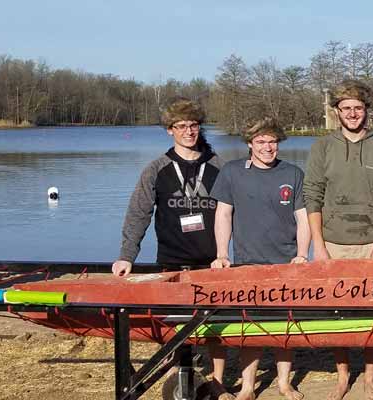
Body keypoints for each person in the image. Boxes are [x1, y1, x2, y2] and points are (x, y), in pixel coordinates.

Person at [110, 98, 232, 398]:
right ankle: (180, 372)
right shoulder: (157, 169)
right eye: (181, 127)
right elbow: (138, 213)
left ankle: (217, 381)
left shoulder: (219, 167)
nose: (189, 132)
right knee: (176, 323)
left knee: (215, 324)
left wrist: (229, 254)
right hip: (172, 260)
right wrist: (127, 255)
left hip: (212, 261)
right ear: (170, 130)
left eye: (193, 126)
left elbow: (234, 212)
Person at [303, 79, 373, 400]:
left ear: (366, 111)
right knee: (338, 314)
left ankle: (370, 375)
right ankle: (343, 375)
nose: (353, 113)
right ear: (337, 112)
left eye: (358, 108)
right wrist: (318, 245)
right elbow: (313, 196)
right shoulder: (323, 147)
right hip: (332, 241)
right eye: (346, 108)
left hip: (370, 241)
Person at [208, 118, 309, 400]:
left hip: (285, 262)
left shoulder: (293, 173)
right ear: (250, 144)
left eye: (272, 142)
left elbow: (303, 219)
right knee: (249, 328)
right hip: (247, 262)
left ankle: (284, 383)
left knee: (284, 328)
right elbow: (223, 215)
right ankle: (249, 387)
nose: (268, 147)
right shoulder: (231, 172)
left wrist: (302, 254)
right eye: (261, 142)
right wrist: (221, 254)